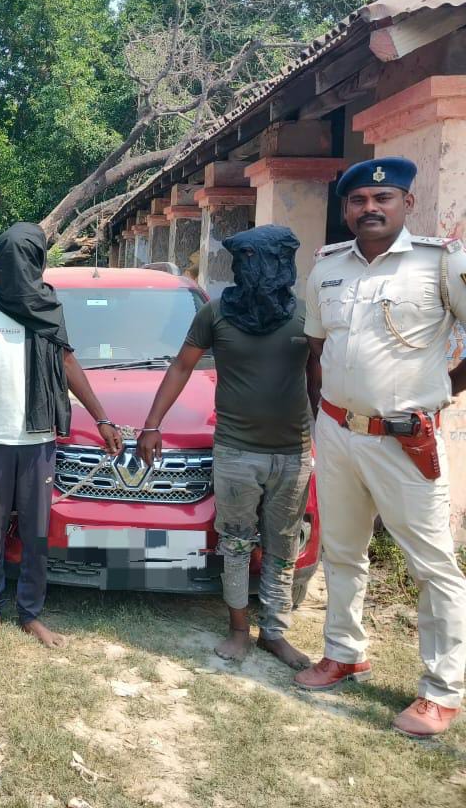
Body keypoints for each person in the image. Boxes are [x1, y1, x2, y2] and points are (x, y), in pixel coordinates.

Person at [295, 157, 466, 738]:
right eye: (358, 201)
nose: (369, 208)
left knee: (432, 565)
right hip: (338, 432)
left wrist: (442, 392)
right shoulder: (328, 267)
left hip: (405, 440)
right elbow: (316, 349)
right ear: (345, 209)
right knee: (342, 551)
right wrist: (322, 418)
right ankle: (344, 653)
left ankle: (440, 691)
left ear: (406, 204)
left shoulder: (440, 263)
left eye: (382, 198)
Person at [136, 225, 313, 669]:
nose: (256, 269)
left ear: (284, 263)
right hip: (235, 450)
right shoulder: (215, 314)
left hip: (293, 450)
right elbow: (181, 367)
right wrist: (152, 424)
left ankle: (275, 632)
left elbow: (319, 375)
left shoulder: (305, 314)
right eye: (247, 260)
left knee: (282, 544)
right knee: (235, 542)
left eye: (265, 260)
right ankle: (238, 628)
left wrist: (325, 432)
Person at [0, 223, 123, 647]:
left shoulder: (49, 307)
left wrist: (102, 418)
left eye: (25, 259)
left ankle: (30, 612)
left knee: (36, 532)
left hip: (39, 439)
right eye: (9, 259)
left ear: (38, 262)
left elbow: (66, 363)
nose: (17, 267)